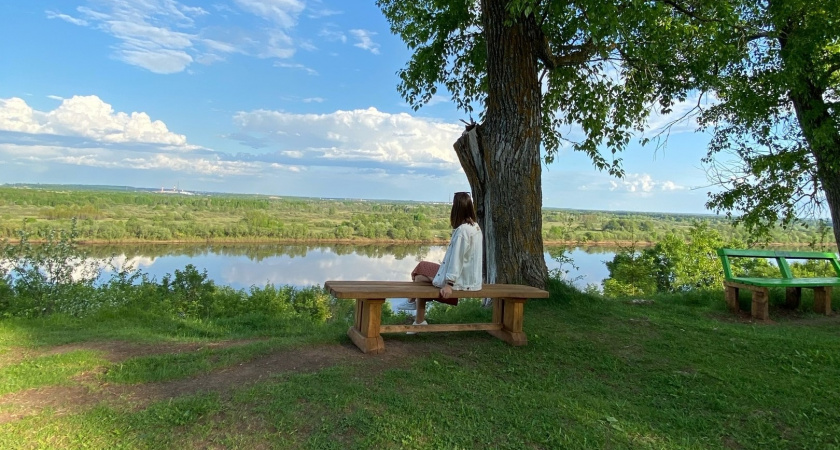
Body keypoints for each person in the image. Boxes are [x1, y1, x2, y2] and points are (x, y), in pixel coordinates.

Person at [401, 191, 483, 330]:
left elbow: (458, 258)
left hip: (461, 280)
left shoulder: (462, 231)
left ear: (456, 209)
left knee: (420, 273)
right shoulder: (475, 226)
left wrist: (449, 284)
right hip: (470, 277)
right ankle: (417, 318)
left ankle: (414, 308)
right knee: (420, 274)